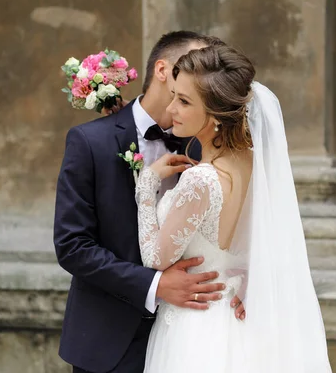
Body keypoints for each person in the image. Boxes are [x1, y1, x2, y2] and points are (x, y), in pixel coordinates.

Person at [53, 31, 244, 373]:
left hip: (196, 337)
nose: (204, 76)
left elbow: (243, 228)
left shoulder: (209, 147)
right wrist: (155, 285)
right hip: (108, 338)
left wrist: (247, 282)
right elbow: (73, 246)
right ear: (162, 70)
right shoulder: (89, 142)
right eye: (190, 66)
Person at [135, 45, 332, 372]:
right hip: (241, 324)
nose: (171, 109)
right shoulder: (260, 165)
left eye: (183, 101)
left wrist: (146, 186)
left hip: (194, 334)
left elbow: (155, 258)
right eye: (173, 96)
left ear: (213, 116)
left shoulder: (202, 180)